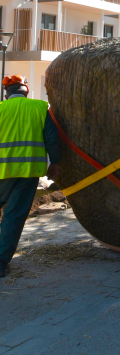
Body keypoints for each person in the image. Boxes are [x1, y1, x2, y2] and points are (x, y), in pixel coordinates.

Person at [0, 75, 61, 278]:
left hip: (1, 174)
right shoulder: (39, 107)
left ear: (6, 95)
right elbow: (52, 138)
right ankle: (1, 263)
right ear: (26, 90)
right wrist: (55, 163)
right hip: (28, 173)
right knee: (13, 217)